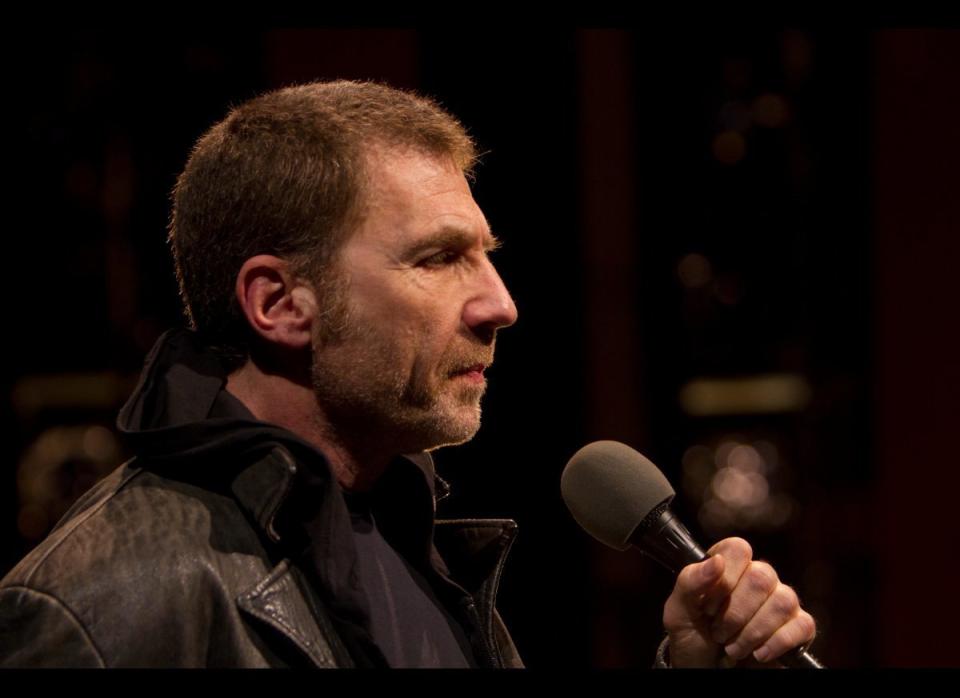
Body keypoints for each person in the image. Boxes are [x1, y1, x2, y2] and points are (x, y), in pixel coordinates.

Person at [0, 80, 815, 668]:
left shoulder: (412, 542)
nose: (500, 305)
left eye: (486, 258)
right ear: (280, 303)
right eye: (437, 259)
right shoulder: (101, 606)